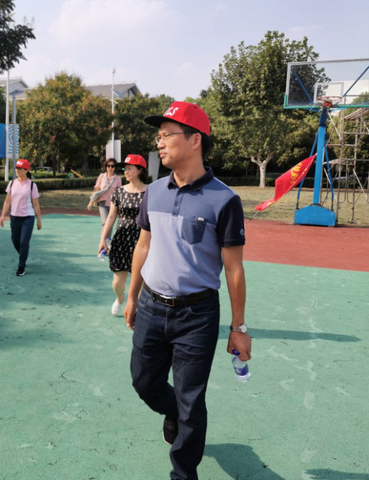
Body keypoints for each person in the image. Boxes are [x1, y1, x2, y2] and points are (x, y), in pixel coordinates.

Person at [124, 102, 250, 480]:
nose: (159, 143)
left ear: (195, 140)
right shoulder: (154, 192)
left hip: (197, 315)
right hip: (151, 306)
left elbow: (234, 267)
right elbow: (143, 246)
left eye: (167, 135)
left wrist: (239, 328)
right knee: (144, 382)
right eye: (158, 136)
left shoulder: (224, 199)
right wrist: (132, 296)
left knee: (192, 401)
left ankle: (183, 473)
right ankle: (173, 411)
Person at [97, 154, 148, 316]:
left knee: (141, 282)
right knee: (117, 283)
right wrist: (103, 239)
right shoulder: (119, 192)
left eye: (129, 168)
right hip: (121, 240)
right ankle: (120, 298)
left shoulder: (150, 192)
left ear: (140, 170)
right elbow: (111, 217)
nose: (126, 171)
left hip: (143, 241)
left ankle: (139, 311)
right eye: (125, 169)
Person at [0, 159, 42, 276]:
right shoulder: (12, 184)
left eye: (20, 168)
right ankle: (24, 255)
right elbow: (7, 201)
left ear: (26, 170)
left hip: (28, 217)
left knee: (24, 242)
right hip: (14, 217)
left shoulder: (32, 185)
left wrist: (39, 220)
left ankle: (21, 267)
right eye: (16, 168)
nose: (17, 170)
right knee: (15, 241)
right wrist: (2, 215)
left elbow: (36, 204)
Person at [88, 158, 122, 227]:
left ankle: (107, 235)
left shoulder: (118, 179)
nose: (110, 168)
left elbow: (119, 193)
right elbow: (96, 191)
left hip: (113, 204)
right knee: (105, 223)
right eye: (108, 166)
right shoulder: (101, 176)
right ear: (105, 167)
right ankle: (105, 235)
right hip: (102, 203)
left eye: (112, 166)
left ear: (115, 167)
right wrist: (91, 202)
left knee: (110, 224)